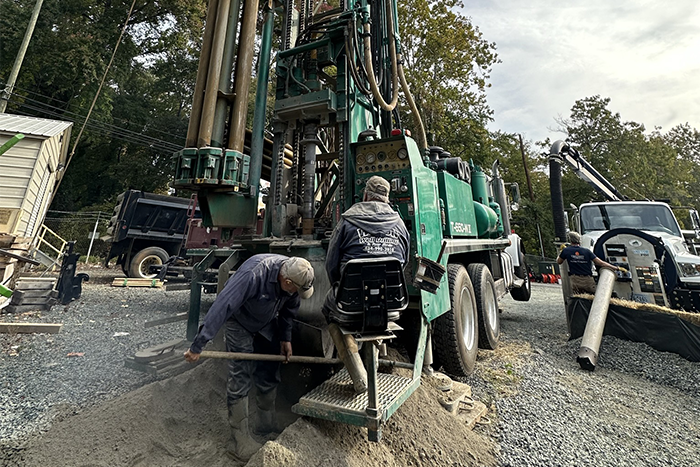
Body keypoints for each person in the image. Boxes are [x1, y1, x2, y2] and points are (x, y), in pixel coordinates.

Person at [184, 254, 314, 462]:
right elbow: (222, 306)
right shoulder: (253, 274)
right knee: (241, 372)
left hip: (265, 320)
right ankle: (240, 440)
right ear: (286, 281)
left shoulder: (293, 275)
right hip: (240, 322)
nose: (296, 293)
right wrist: (199, 344)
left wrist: (285, 338)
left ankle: (265, 423)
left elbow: (289, 310)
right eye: (295, 289)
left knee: (271, 366)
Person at [323, 175, 410, 392]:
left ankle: (359, 376)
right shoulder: (400, 224)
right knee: (370, 309)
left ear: (365, 195)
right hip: (390, 307)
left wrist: (339, 288)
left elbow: (331, 265)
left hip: (350, 304)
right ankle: (377, 359)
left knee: (329, 309)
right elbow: (404, 263)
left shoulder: (347, 220)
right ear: (387, 198)